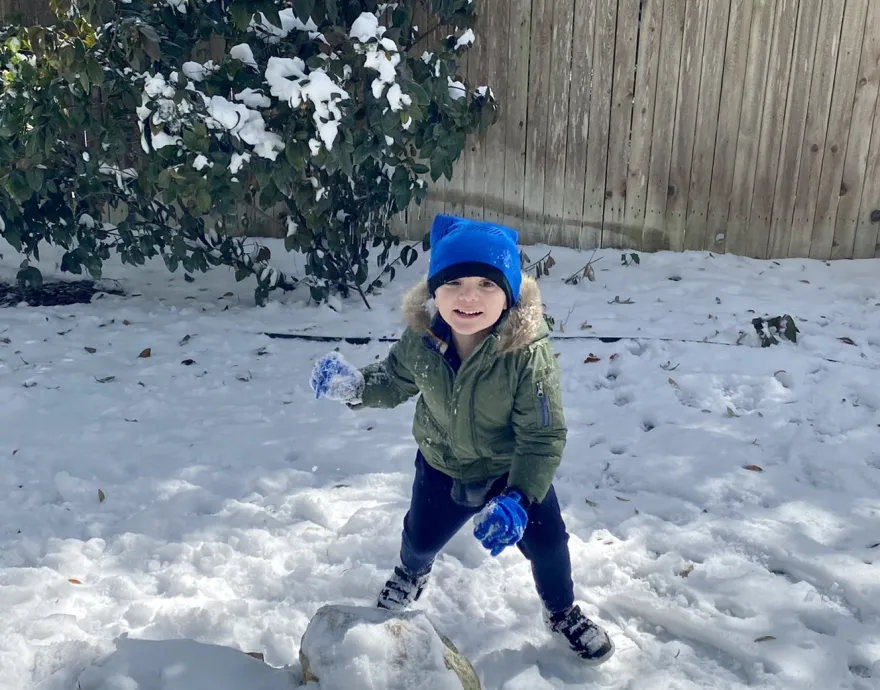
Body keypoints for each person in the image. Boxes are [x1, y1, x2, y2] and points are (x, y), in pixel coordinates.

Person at [309, 214, 614, 664]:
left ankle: (561, 610)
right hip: (441, 465)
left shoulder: (526, 354)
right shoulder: (422, 340)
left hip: (509, 474)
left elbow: (542, 433)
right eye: (454, 283)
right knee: (420, 537)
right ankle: (411, 572)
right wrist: (358, 386)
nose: (469, 297)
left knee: (549, 545)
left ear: (508, 294)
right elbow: (393, 380)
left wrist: (521, 497)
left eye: (487, 285)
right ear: (435, 291)